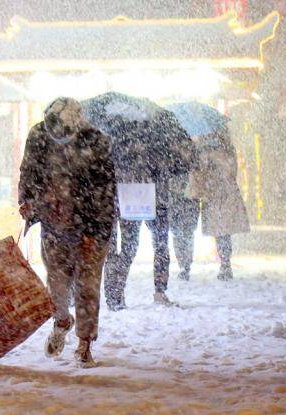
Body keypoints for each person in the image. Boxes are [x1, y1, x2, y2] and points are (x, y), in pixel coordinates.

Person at [19, 97, 115, 368]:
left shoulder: (96, 142)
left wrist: (94, 234)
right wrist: (27, 200)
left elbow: (105, 192)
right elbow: (28, 172)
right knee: (57, 284)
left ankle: (84, 343)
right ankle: (61, 319)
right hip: (54, 224)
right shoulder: (38, 136)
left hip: (91, 227)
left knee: (87, 287)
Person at [103, 112, 192, 310]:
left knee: (129, 246)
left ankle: (115, 292)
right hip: (151, 196)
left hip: (128, 196)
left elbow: (110, 167)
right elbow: (178, 165)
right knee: (158, 245)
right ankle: (158, 290)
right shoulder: (160, 133)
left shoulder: (116, 135)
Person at [189, 128, 249, 280]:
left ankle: (225, 264)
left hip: (214, 194)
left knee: (220, 231)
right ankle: (225, 263)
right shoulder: (229, 150)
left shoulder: (206, 153)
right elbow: (232, 172)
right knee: (224, 232)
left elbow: (200, 173)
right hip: (226, 193)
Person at [169, 171, 200, 281]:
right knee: (180, 234)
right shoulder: (173, 160)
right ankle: (183, 264)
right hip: (178, 199)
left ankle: (185, 264)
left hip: (188, 199)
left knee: (186, 233)